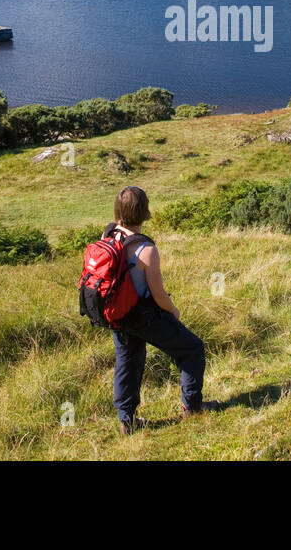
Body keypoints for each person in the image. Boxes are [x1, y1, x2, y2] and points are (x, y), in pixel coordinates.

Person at [105, 185, 213, 434]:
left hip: (117, 316)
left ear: (118, 210)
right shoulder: (146, 250)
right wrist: (173, 311)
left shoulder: (108, 237)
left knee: (127, 363)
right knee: (192, 349)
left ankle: (127, 421)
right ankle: (193, 407)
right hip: (143, 316)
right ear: (144, 211)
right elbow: (158, 295)